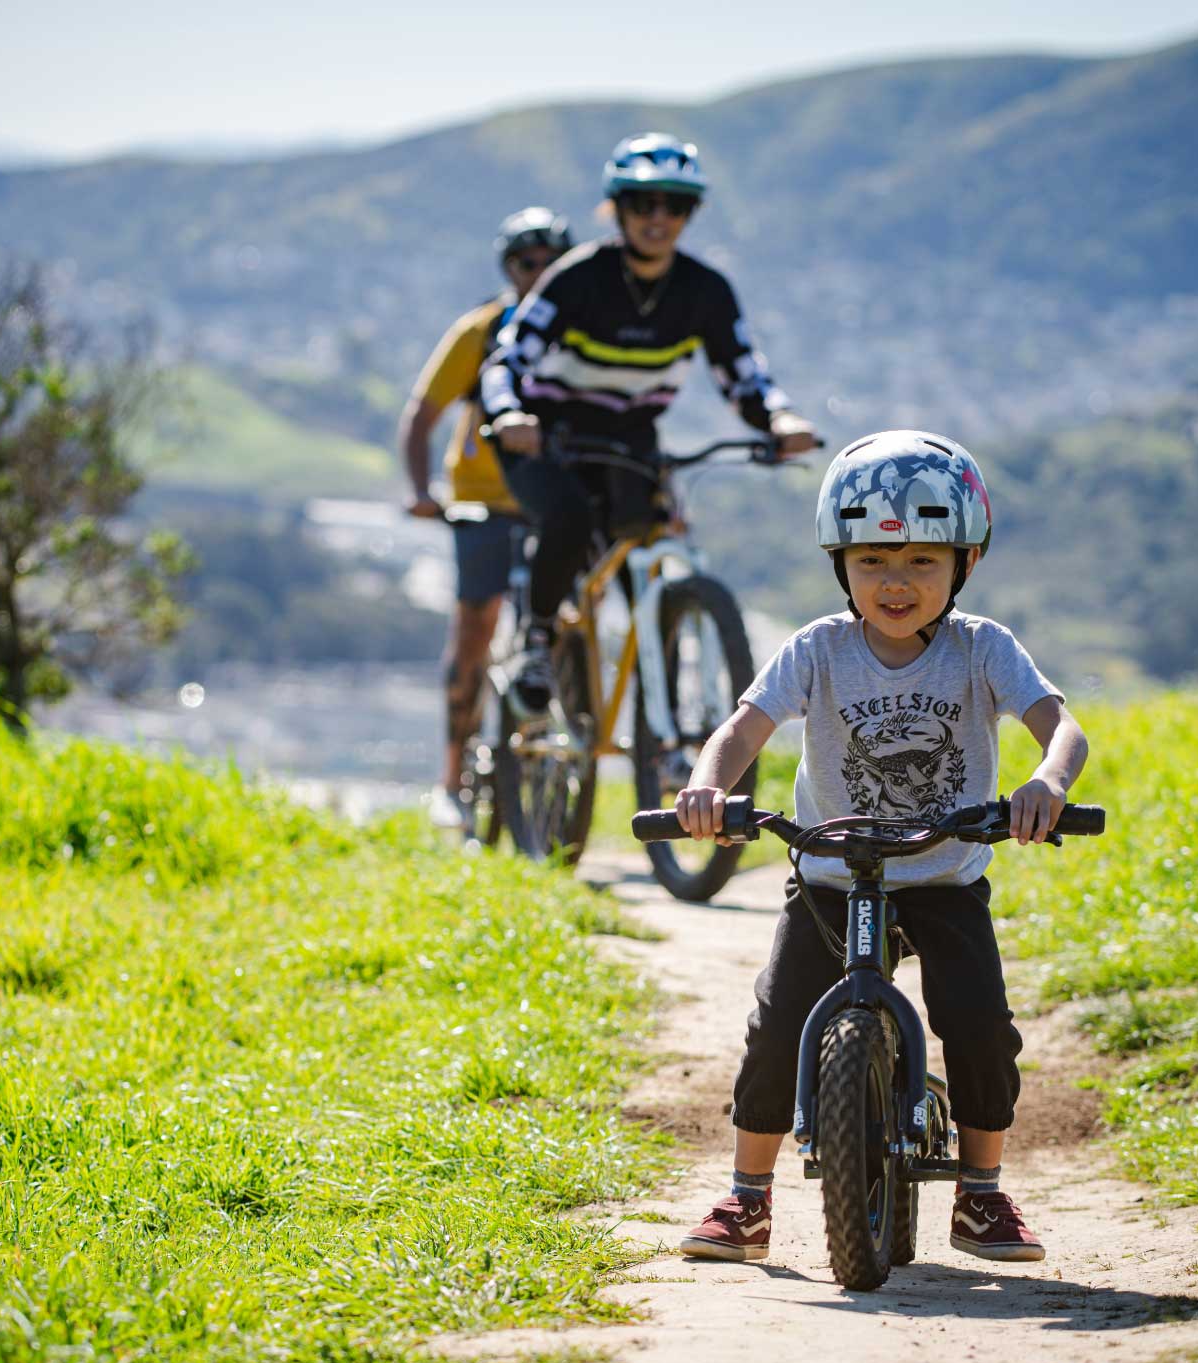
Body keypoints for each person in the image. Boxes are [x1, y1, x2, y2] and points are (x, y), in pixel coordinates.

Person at [662, 429, 1090, 1265]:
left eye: (923, 564)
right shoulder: (819, 649)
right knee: (778, 1022)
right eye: (871, 563)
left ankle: (982, 1195)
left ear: (964, 564)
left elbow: (1061, 726)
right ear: (840, 565)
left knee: (979, 1025)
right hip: (831, 872)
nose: (895, 584)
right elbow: (742, 728)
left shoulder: (984, 649)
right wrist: (708, 786)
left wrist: (1047, 783)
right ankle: (747, 1200)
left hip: (942, 872)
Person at [480, 133, 817, 714]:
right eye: (642, 202)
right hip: (545, 434)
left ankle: (658, 725)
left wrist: (779, 418)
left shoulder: (705, 291)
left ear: (691, 213)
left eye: (676, 204)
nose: (658, 218)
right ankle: (536, 642)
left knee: (648, 543)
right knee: (568, 516)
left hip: (629, 439)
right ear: (616, 207)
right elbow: (507, 359)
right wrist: (510, 413)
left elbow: (742, 372)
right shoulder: (576, 277)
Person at [397, 206, 573, 821]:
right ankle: (451, 779)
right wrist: (423, 492)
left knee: (570, 616)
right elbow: (422, 414)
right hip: (482, 499)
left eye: (553, 260)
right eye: (529, 261)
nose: (541, 271)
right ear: (509, 268)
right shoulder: (479, 331)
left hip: (556, 498)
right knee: (475, 625)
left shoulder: (581, 328)